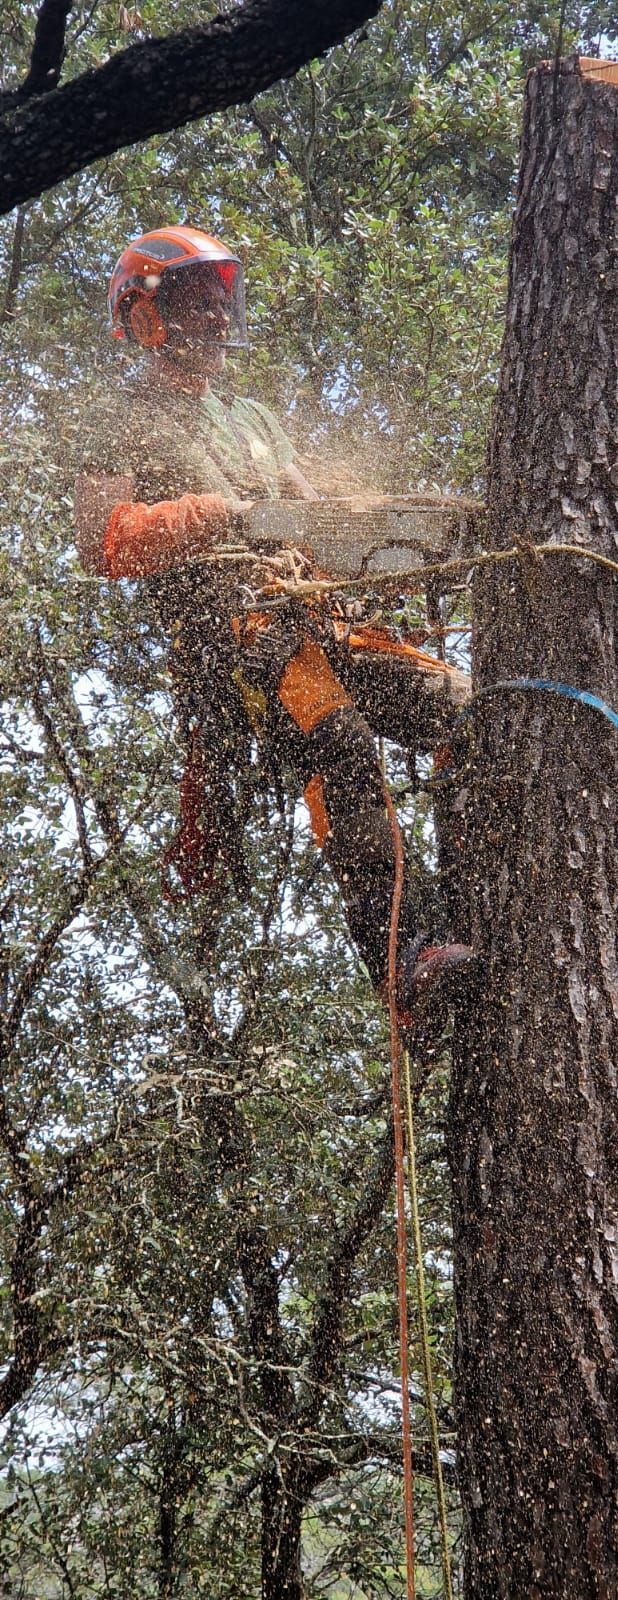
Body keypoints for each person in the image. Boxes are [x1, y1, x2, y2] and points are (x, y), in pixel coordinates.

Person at [74, 224, 473, 1028]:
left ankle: (484, 909)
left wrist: (419, 527)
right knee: (342, 744)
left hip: (317, 610)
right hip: (236, 632)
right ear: (148, 314)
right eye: (196, 302)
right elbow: (103, 543)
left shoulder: (252, 415)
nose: (218, 320)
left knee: (467, 710)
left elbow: (314, 512)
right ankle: (407, 962)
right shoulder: (124, 414)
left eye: (222, 302)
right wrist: (216, 511)